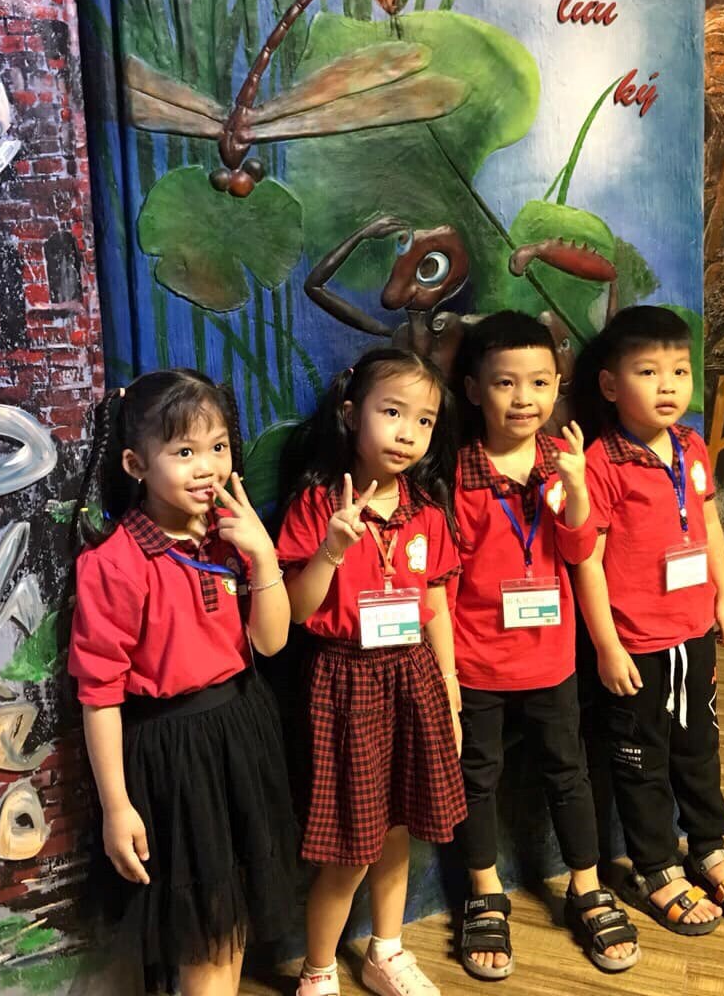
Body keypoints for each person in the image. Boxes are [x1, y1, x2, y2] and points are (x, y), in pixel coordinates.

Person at [68, 370, 296, 996]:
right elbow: (99, 695)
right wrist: (117, 806)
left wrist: (264, 556)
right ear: (136, 464)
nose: (207, 467)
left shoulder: (230, 533)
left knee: (233, 914)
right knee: (202, 929)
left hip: (241, 729)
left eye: (218, 446)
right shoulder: (115, 562)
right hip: (174, 753)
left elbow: (271, 642)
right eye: (184, 451)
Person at [450, 311, 640, 979]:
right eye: (505, 382)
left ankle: (586, 885)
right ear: (474, 389)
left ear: (558, 385)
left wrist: (579, 485)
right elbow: (444, 578)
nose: (523, 398)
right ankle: (484, 892)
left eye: (539, 382)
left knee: (569, 771)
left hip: (552, 659)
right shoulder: (455, 474)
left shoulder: (563, 462)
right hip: (476, 662)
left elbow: (581, 549)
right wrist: (446, 674)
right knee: (476, 777)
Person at [275, 348, 466, 996]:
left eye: (424, 420)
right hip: (344, 679)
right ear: (352, 413)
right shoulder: (315, 505)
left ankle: (387, 950)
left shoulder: (427, 510)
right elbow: (295, 612)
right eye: (392, 413)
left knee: (400, 826)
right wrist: (331, 550)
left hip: (413, 676)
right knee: (350, 844)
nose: (408, 433)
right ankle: (318, 970)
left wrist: (451, 690)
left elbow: (436, 602)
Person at [576, 306, 724, 935]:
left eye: (680, 371)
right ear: (610, 384)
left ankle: (708, 844)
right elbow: (588, 560)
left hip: (693, 631)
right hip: (635, 644)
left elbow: (708, 522)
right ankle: (655, 865)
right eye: (648, 371)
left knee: (699, 746)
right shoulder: (601, 463)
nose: (668, 386)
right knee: (641, 758)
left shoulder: (691, 445)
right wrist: (607, 645)